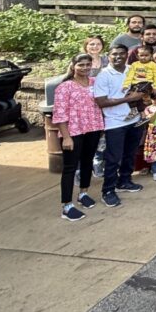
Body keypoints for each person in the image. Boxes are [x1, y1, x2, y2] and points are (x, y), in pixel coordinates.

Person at [53, 54, 105, 221]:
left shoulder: (94, 83)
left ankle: (83, 193)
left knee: (87, 162)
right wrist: (66, 137)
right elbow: (59, 113)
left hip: (93, 128)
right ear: (73, 66)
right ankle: (66, 206)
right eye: (81, 65)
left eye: (87, 65)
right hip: (73, 131)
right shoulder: (65, 87)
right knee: (70, 167)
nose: (84, 68)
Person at [93, 46, 146, 207]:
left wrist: (141, 99)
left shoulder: (133, 69)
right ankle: (108, 190)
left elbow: (143, 87)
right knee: (113, 158)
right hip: (114, 122)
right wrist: (128, 99)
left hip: (134, 119)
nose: (118, 57)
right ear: (108, 56)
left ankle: (124, 181)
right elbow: (101, 102)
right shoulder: (103, 75)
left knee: (130, 153)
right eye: (114, 54)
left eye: (122, 54)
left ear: (127, 55)